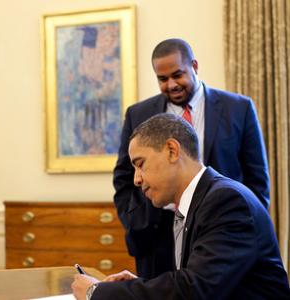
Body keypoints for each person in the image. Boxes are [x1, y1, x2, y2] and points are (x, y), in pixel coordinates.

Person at [72, 114, 289, 300]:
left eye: (140, 164)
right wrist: (136, 286)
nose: (136, 179)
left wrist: (97, 292)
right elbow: (198, 283)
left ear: (172, 150)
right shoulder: (200, 201)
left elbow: (193, 291)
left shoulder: (227, 201)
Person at [113, 38, 270, 278]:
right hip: (155, 233)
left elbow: (256, 178)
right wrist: (136, 222)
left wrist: (242, 226)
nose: (171, 84)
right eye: (162, 79)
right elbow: (124, 176)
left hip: (217, 227)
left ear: (194, 66)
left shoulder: (238, 108)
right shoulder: (138, 113)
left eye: (178, 75)